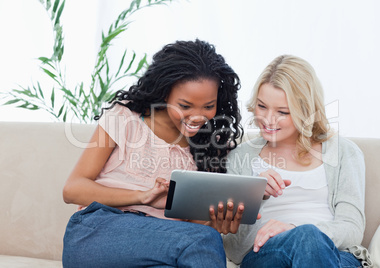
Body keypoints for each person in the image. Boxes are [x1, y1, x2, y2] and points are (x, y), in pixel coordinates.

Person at [62, 39, 245, 267]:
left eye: (208, 106)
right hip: (97, 232)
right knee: (204, 240)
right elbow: (72, 189)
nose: (198, 116)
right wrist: (143, 196)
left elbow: (191, 227)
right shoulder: (125, 117)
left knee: (206, 238)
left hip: (160, 247)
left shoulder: (209, 145)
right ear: (165, 92)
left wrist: (216, 223)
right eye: (185, 106)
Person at [223, 55, 372, 267]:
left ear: (306, 112)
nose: (268, 119)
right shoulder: (240, 157)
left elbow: (352, 228)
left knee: (308, 236)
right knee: (306, 236)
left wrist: (296, 229)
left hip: (335, 256)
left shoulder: (344, 153)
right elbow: (235, 251)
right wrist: (255, 196)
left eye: (282, 112)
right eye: (262, 106)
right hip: (267, 256)